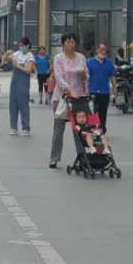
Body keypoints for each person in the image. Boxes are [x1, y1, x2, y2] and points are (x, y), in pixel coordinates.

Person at [48, 31, 89, 169]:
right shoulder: (58, 58)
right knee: (58, 130)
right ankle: (54, 158)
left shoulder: (81, 57)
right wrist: (69, 91)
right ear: (63, 44)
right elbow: (59, 78)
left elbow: (86, 77)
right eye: (68, 41)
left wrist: (83, 76)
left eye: (73, 41)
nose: (71, 44)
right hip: (61, 98)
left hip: (78, 98)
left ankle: (82, 157)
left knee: (79, 129)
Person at [86, 42, 118, 131]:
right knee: (94, 111)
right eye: (101, 49)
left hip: (105, 91)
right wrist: (86, 89)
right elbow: (86, 77)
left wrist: (115, 88)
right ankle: (94, 129)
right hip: (93, 91)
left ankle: (102, 129)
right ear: (97, 50)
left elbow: (112, 76)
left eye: (104, 50)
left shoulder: (109, 62)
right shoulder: (90, 62)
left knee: (103, 112)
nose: (103, 52)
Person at [8, 37, 36, 136]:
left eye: (22, 45)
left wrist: (18, 66)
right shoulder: (17, 53)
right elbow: (7, 59)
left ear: (27, 45)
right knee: (13, 105)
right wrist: (7, 55)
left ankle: (26, 128)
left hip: (23, 82)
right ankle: (13, 127)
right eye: (19, 45)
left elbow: (29, 70)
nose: (20, 47)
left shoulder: (30, 56)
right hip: (14, 81)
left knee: (23, 105)